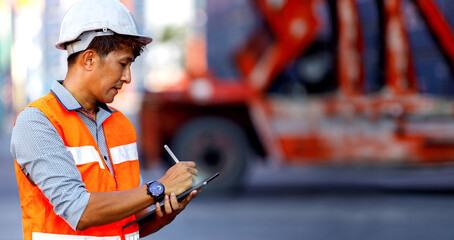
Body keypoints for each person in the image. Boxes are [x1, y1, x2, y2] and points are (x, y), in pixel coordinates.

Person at [10, 0, 199, 239]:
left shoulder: (121, 126)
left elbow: (128, 225)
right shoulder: (38, 123)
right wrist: (158, 188)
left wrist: (164, 214)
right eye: (123, 64)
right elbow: (79, 211)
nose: (127, 77)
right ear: (89, 59)